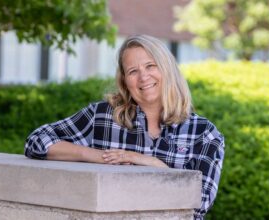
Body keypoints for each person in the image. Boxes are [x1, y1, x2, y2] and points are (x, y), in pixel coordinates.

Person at [25, 34, 225, 219]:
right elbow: (37, 142)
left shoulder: (204, 134)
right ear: (124, 81)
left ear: (167, 69)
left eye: (150, 66)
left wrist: (151, 164)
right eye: (133, 71)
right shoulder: (101, 116)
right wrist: (99, 156)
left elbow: (199, 202)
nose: (143, 77)